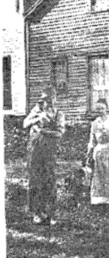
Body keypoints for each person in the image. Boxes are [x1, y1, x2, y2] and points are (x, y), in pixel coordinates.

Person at [23, 87, 65, 225]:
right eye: (44, 99)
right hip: (34, 149)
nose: (46, 102)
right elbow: (25, 124)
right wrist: (36, 118)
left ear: (54, 99)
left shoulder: (58, 114)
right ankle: (37, 212)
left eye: (49, 99)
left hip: (49, 149)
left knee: (49, 179)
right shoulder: (36, 111)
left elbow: (59, 133)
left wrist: (43, 131)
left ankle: (51, 213)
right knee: (35, 179)